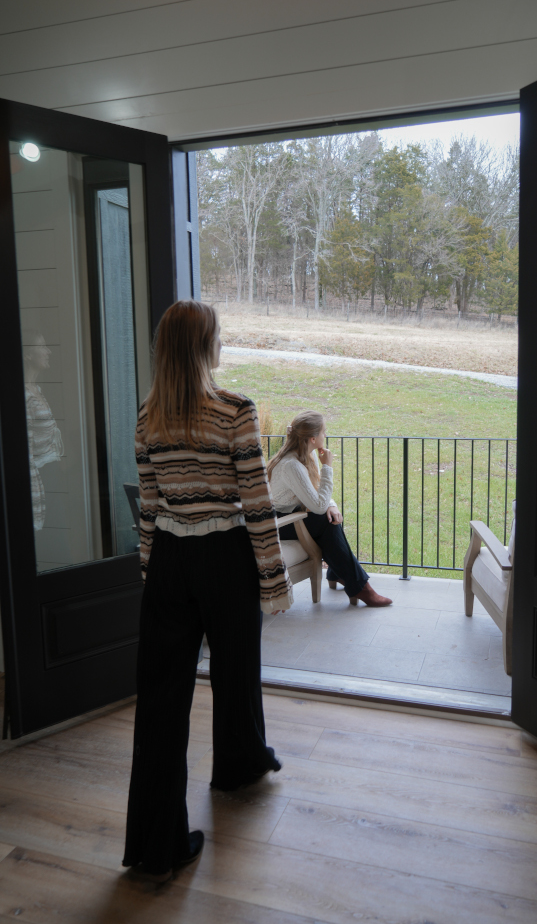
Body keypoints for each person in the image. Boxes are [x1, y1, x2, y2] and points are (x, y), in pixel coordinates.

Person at [122, 300, 292, 883]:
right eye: (216, 337)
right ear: (204, 347)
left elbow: (149, 506)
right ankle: (238, 767)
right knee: (236, 669)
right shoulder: (234, 411)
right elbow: (256, 502)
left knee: (161, 702)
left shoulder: (147, 418)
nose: (221, 344)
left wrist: (152, 571)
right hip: (224, 558)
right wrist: (273, 579)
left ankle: (154, 845)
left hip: (170, 559)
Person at [268, 411, 392, 607]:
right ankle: (358, 586)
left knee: (331, 517)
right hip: (276, 523)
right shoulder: (291, 466)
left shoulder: (306, 456)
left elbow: (316, 493)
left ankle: (339, 574)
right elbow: (318, 505)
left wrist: (332, 505)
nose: (326, 435)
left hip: (294, 514)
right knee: (326, 520)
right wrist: (328, 467)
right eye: (324, 432)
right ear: (313, 438)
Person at [22, 330, 63, 532]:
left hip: (51, 474)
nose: (48, 351)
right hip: (40, 480)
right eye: (42, 346)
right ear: (28, 354)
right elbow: (26, 454)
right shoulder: (24, 396)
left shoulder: (37, 389)